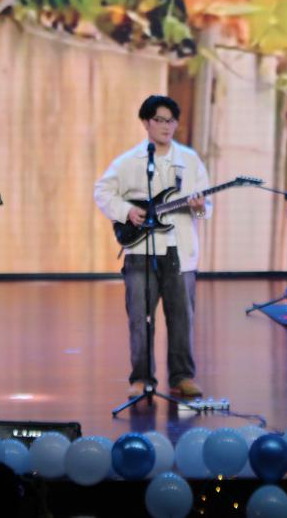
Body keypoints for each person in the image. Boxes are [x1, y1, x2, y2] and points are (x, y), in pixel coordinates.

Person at [94, 95, 209, 400]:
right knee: (140, 318)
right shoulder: (129, 161)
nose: (166, 126)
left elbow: (205, 208)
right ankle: (142, 378)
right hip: (141, 250)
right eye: (159, 120)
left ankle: (182, 376)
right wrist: (126, 211)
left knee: (182, 317)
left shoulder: (190, 160)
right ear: (146, 122)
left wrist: (199, 208)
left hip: (179, 250)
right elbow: (102, 191)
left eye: (171, 121)